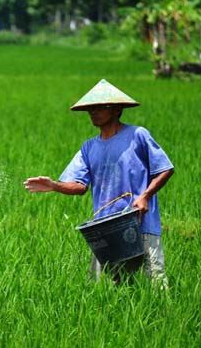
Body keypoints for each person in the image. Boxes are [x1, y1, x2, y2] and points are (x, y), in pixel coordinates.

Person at [24, 79, 174, 286]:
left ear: (116, 109)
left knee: (153, 281)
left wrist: (145, 196)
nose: (93, 113)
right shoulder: (88, 148)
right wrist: (54, 186)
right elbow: (79, 186)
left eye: (99, 107)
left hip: (141, 222)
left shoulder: (137, 135)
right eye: (90, 109)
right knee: (106, 288)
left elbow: (165, 168)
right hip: (105, 228)